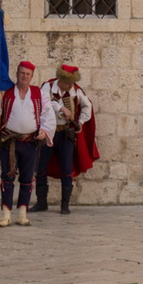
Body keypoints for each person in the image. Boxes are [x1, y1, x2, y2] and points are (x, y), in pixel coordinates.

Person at [0, 60, 55, 227]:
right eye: (22, 73)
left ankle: (22, 214)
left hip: (30, 142)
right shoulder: (5, 92)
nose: (24, 76)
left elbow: (48, 114)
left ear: (31, 76)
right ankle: (6, 214)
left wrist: (44, 130)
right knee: (7, 177)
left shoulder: (39, 94)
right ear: (16, 74)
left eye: (28, 74)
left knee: (27, 178)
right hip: (10, 142)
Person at [32, 64, 99, 215]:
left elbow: (87, 106)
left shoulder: (76, 91)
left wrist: (80, 122)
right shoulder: (47, 87)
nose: (70, 86)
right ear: (60, 80)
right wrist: (61, 108)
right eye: (68, 83)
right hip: (48, 133)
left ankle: (65, 204)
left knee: (67, 168)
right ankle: (41, 202)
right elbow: (43, 102)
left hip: (66, 134)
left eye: (71, 83)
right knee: (41, 167)